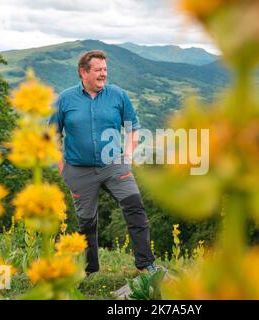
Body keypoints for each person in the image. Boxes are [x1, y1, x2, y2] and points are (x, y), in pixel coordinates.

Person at [49, 50, 156, 275]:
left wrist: (126, 158)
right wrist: (63, 168)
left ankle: (146, 265)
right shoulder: (66, 99)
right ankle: (90, 270)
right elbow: (51, 136)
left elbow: (133, 128)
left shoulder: (118, 96)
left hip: (115, 166)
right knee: (87, 223)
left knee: (135, 209)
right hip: (78, 171)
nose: (103, 74)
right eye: (98, 70)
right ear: (83, 72)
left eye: (105, 69)